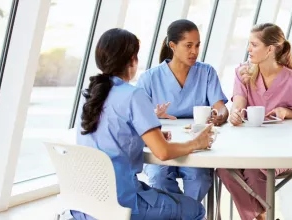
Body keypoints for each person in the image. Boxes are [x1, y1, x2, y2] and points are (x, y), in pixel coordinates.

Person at [72, 28, 213, 220]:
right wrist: (197, 143)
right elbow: (162, 152)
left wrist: (146, 137)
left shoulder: (89, 95)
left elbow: (109, 136)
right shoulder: (133, 95)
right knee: (194, 209)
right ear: (132, 59)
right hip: (122, 205)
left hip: (84, 205)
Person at [217, 23, 292, 220]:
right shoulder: (242, 72)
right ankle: (263, 217)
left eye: (254, 45)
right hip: (248, 149)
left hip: (285, 151)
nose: (248, 49)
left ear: (270, 49)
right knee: (224, 168)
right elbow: (239, 103)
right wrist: (236, 114)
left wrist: (288, 112)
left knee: (254, 169)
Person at [138, 19, 228, 203]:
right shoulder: (149, 78)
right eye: (188, 46)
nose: (194, 51)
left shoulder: (206, 72)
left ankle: (186, 214)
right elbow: (139, 118)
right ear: (172, 45)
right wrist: (154, 115)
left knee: (199, 178)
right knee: (158, 177)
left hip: (197, 143)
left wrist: (220, 116)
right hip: (162, 143)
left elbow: (221, 107)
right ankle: (186, 213)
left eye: (197, 45)